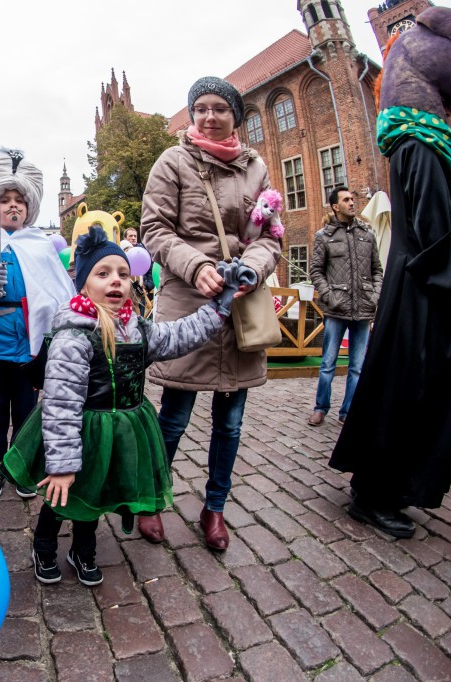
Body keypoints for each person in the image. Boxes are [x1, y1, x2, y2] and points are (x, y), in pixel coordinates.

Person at [4, 227, 238, 585]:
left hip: (119, 431)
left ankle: (82, 549)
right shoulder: (74, 335)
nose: (115, 281)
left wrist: (219, 307)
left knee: (94, 493)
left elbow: (178, 336)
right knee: (63, 492)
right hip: (81, 429)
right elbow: (61, 403)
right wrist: (63, 464)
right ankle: (45, 543)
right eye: (103, 273)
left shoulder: (136, 327)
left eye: (123, 274)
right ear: (83, 284)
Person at [329, 8, 451, 538]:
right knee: (407, 393)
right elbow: (436, 231)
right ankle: (374, 493)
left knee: (409, 393)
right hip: (427, 296)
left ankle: (385, 487)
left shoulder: (426, 143)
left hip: (422, 292)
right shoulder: (420, 145)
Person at [140, 77, 281, 551]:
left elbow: (270, 237)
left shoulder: (256, 169)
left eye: (220, 108)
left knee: (231, 422)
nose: (209, 116)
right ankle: (151, 498)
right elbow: (154, 229)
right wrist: (196, 265)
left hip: (240, 309)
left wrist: (253, 271)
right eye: (200, 108)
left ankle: (214, 508)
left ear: (235, 116)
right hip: (188, 305)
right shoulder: (172, 161)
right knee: (174, 417)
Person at [0, 148, 76, 500]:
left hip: (29, 345)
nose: (14, 206)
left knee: (25, 409)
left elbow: (59, 291)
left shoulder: (40, 245)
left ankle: (21, 464)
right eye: (5, 200)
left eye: (19, 200)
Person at [308, 187, 383, 426]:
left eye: (353, 198)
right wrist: (329, 296)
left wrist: (375, 295)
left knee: (357, 367)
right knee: (328, 363)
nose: (352, 202)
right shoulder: (324, 236)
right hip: (336, 309)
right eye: (346, 199)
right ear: (335, 206)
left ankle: (348, 411)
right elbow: (316, 271)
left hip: (363, 308)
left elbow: (377, 271)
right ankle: (321, 407)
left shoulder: (367, 234)